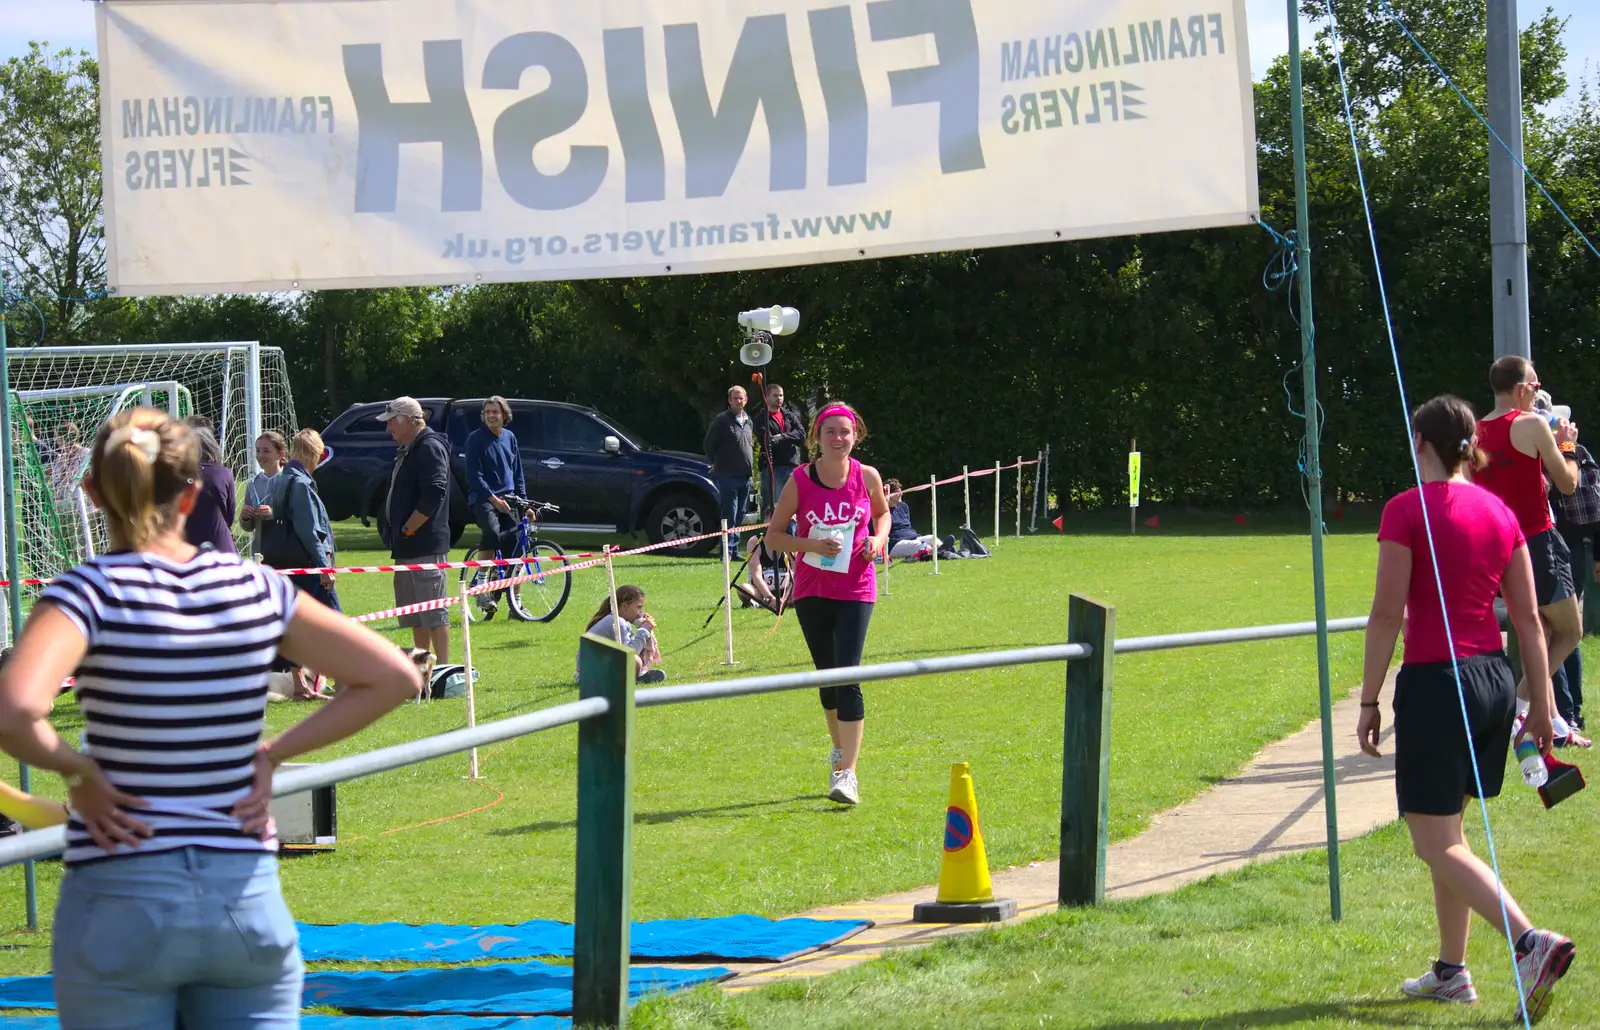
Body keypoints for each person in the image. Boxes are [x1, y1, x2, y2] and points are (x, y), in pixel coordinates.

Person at [0, 407, 420, 1028]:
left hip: (120, 897)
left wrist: (77, 772)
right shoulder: (255, 587)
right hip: (243, 901)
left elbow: (15, 709)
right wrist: (272, 753)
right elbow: (394, 676)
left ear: (90, 493)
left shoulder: (82, 593)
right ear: (195, 492)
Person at [1357, 395, 1573, 1021]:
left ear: (1419, 441)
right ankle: (1453, 971)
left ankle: (1531, 944)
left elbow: (1385, 615)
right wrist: (1541, 704)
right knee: (1450, 833)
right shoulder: (1501, 511)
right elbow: (1530, 623)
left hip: (1436, 683)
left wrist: (1369, 699)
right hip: (1492, 682)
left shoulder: (1405, 509)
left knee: (1434, 843)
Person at [764, 401, 890, 806]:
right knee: (826, 675)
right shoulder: (801, 480)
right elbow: (773, 537)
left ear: (857, 436)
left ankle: (849, 774)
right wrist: (811, 545)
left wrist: (877, 540)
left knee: (848, 674)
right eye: (830, 432)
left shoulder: (867, 476)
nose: (838, 438)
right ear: (817, 438)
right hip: (813, 589)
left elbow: (884, 515)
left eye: (845, 432)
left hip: (856, 587)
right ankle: (839, 753)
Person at [1475, 357, 1582, 720]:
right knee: (1571, 632)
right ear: (1521, 388)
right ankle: (1516, 705)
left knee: (1544, 632)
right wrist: (1566, 446)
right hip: (1537, 543)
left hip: (1497, 550)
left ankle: (1548, 718)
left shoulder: (1474, 431)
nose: (1537, 396)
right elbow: (1568, 484)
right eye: (1535, 388)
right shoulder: (1532, 424)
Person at [382, 396, 453, 662]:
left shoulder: (429, 446)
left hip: (425, 545)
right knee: (415, 613)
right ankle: (425, 667)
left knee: (434, 612)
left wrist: (410, 527)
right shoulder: (409, 447)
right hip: (407, 545)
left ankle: (445, 670)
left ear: (408, 420)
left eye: (391, 421)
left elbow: (435, 491)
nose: (388, 427)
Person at [464, 396, 527, 620]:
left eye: (495, 412)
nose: (491, 415)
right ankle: (481, 583)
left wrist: (524, 503)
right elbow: (474, 476)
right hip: (483, 499)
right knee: (491, 532)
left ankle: (516, 607)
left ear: (504, 415)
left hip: (509, 500)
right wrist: (493, 500)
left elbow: (518, 473)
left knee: (516, 552)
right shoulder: (475, 439)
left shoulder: (510, 438)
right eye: (488, 412)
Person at [280, 429, 340, 613]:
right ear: (312, 454)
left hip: (288, 562)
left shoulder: (281, 479)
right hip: (308, 566)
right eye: (318, 456)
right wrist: (324, 568)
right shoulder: (300, 485)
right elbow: (309, 531)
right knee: (335, 622)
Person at [703, 386, 754, 559]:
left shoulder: (748, 420)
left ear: (746, 399)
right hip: (727, 475)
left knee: (740, 514)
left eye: (741, 398)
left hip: (745, 475)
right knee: (729, 515)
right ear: (729, 400)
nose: (739, 401)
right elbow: (709, 444)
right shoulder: (721, 420)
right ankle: (725, 552)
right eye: (735, 398)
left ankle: (734, 549)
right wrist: (716, 463)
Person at [580, 586, 665, 684]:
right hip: (591, 677)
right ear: (625, 606)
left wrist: (640, 624)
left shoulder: (619, 621)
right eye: (638, 607)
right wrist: (644, 630)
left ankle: (638, 675)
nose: (641, 612)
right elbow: (629, 653)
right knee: (634, 660)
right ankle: (635, 678)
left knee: (635, 660)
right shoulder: (618, 622)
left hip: (590, 674)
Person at [182, 426, 238, 555]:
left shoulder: (180, 474)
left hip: (189, 550)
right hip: (222, 547)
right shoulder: (224, 473)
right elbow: (230, 517)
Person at [757, 383, 806, 516]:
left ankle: (791, 533)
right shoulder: (762, 418)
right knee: (774, 506)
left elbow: (802, 436)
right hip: (773, 467)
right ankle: (770, 534)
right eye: (775, 395)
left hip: (791, 466)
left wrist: (782, 436)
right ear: (767, 397)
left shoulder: (789, 416)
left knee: (792, 504)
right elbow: (767, 441)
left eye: (781, 395)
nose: (779, 398)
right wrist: (790, 437)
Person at [240, 431, 289, 558]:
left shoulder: (290, 481)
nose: (260, 455)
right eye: (258, 450)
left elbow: (298, 516)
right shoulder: (252, 484)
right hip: (260, 552)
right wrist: (245, 517)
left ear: (280, 454)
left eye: (266, 451)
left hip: (286, 551)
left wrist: (273, 513)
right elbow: (249, 527)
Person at [884, 479, 937, 559]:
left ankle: (944, 552)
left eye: (901, 491)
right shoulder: (881, 510)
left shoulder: (904, 506)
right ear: (890, 495)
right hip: (895, 543)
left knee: (933, 539)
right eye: (898, 493)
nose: (901, 494)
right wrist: (884, 504)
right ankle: (943, 553)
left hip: (913, 537)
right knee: (923, 547)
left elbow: (908, 526)